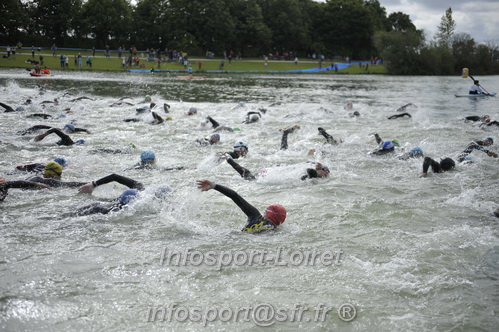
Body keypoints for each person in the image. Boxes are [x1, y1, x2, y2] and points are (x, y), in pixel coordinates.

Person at [196, 179, 286, 233]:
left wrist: (214, 186)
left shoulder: (256, 217)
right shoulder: (274, 232)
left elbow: (235, 196)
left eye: (265, 212)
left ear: (268, 214)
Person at [75, 173, 147, 216]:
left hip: (98, 205)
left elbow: (114, 176)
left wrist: (93, 185)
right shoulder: (120, 211)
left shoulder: (140, 188)